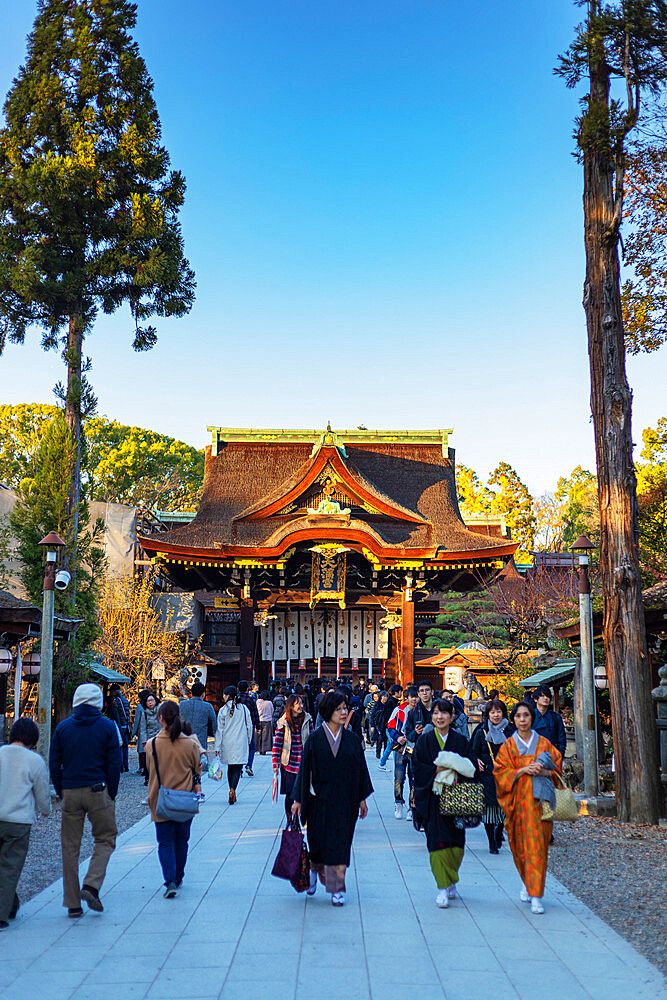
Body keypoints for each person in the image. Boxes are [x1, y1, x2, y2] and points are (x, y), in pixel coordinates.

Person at [291, 691, 373, 906]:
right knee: (317, 843)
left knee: (341, 845)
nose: (344, 712)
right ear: (327, 712)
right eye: (338, 709)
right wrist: (298, 799)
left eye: (345, 708)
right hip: (319, 800)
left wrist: (362, 798)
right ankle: (313, 872)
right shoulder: (315, 739)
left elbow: (361, 769)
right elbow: (304, 770)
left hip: (346, 801)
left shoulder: (353, 740)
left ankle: (336, 888)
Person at [49, 683, 121, 918]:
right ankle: (91, 885)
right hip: (98, 789)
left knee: (70, 846)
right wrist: (112, 792)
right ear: (99, 702)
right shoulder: (107, 726)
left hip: (70, 790)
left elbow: (54, 764)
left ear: (76, 702)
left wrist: (62, 790)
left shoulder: (62, 728)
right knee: (106, 838)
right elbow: (114, 762)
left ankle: (72, 903)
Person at [493, 700, 563, 914]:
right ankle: (527, 881)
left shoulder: (543, 744)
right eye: (518, 716)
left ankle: (536, 894)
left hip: (539, 805)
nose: (522, 719)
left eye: (526, 715)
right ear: (513, 720)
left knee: (537, 849)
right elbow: (499, 773)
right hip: (517, 804)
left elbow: (557, 768)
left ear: (532, 718)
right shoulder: (508, 746)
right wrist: (523, 770)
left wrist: (542, 772)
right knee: (519, 848)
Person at [412, 698, 475, 909]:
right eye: (436, 713)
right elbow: (417, 766)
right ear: (432, 716)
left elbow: (471, 765)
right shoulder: (425, 740)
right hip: (432, 798)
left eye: (444, 713)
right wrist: (435, 771)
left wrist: (457, 769)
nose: (440, 717)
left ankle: (451, 878)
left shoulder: (461, 741)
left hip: (456, 798)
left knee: (456, 846)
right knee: (437, 843)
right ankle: (442, 887)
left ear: (452, 716)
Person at [144, 700, 201, 898]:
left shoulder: (152, 744)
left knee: (165, 842)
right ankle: (179, 874)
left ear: (160, 718)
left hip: (160, 799)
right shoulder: (190, 744)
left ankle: (170, 880)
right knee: (182, 841)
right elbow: (197, 768)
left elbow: (150, 770)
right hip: (184, 799)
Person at [0, 717, 51, 930]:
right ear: (33, 739)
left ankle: (10, 904)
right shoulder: (34, 760)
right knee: (10, 866)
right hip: (18, 821)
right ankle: (2, 913)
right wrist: (45, 810)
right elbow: (42, 792)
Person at [470, 698, 515, 853]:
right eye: (492, 712)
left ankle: (499, 831)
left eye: (499, 712)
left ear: (504, 713)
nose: (496, 715)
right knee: (489, 809)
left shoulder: (511, 731)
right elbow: (472, 751)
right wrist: (476, 760)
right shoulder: (481, 731)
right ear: (487, 715)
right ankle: (491, 842)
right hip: (487, 775)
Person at [272, 694, 313, 819]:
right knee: (290, 794)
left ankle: (298, 817)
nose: (300, 706)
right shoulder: (283, 722)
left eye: (301, 703)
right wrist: (275, 764)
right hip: (288, 763)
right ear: (291, 706)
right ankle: (290, 819)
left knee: (303, 792)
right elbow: (277, 743)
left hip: (304, 762)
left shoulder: (307, 719)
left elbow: (312, 739)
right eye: (297, 704)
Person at [214, 686, 253, 804]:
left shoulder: (223, 710)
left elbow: (219, 730)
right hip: (241, 741)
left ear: (227, 695)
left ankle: (230, 789)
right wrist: (249, 740)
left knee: (230, 767)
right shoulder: (244, 709)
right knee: (237, 767)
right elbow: (249, 726)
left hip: (227, 742)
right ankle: (233, 789)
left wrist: (217, 746)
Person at [386, 685, 419, 820]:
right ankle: (398, 802)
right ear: (407, 698)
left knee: (413, 778)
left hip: (415, 748)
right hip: (401, 748)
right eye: (412, 697)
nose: (414, 700)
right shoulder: (399, 710)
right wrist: (397, 737)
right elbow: (390, 726)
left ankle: (412, 807)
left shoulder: (421, 712)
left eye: (416, 697)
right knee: (399, 778)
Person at [179, 682, 217, 768]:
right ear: (203, 694)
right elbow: (214, 724)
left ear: (191, 693)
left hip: (184, 739)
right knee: (199, 767)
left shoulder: (182, 705)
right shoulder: (208, 706)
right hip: (201, 741)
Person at [532, 685, 567, 757]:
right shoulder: (529, 716)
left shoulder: (555, 717)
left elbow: (561, 739)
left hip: (551, 757)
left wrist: (559, 755)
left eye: (547, 696)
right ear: (535, 699)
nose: (545, 698)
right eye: (542, 696)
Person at [237, 679, 260, 776]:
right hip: (249, 725)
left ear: (238, 689)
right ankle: (249, 765)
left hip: (237, 726)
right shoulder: (251, 699)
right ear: (247, 689)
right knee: (251, 746)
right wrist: (258, 726)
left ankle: (239, 769)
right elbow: (255, 713)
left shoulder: (235, 699)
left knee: (239, 747)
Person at [138, 693, 161, 787]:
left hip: (160, 738)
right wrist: (144, 742)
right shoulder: (145, 714)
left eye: (152, 700)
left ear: (155, 701)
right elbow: (142, 729)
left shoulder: (161, 711)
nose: (150, 702)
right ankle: (148, 778)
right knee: (149, 760)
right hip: (149, 739)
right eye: (148, 701)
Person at [110, 684, 131, 772]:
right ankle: (126, 765)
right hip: (126, 725)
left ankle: (121, 765)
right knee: (125, 746)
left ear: (114, 691)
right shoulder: (125, 700)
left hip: (121, 725)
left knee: (120, 745)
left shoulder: (116, 701)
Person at [131, 689, 150, 776]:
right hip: (152, 730)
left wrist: (133, 732)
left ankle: (142, 767)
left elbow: (137, 721)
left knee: (141, 749)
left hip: (142, 730)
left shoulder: (140, 707)